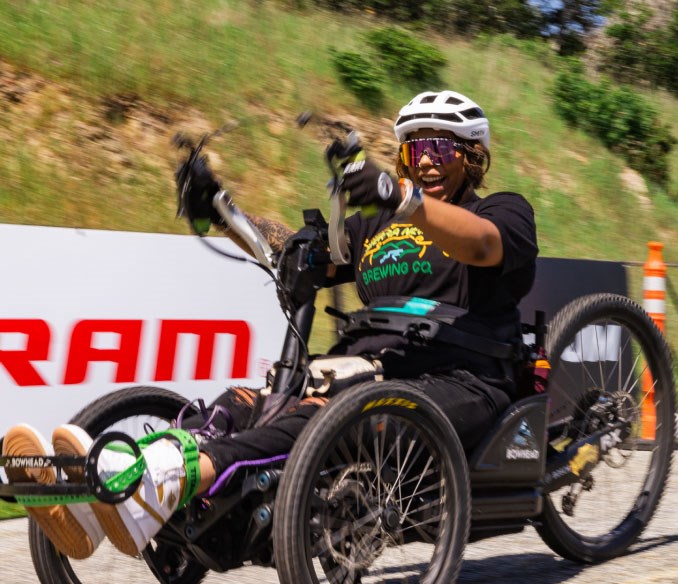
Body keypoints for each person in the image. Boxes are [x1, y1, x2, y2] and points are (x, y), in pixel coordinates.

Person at [3, 89, 537, 559]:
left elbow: (482, 245)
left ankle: (165, 479)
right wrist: (220, 209)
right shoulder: (375, 224)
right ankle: (107, 505)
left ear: (471, 156)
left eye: (438, 148)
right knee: (245, 402)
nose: (424, 162)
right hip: (368, 371)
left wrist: (402, 197)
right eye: (412, 149)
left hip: (460, 377)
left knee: (314, 412)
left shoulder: (502, 211)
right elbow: (291, 251)